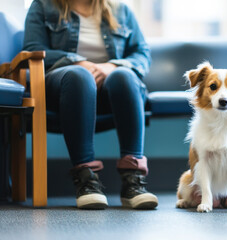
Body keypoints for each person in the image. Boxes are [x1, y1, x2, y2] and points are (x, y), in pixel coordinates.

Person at [24, 0, 158, 210]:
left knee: (124, 75)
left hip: (111, 88)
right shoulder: (43, 5)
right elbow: (34, 49)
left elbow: (142, 54)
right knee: (80, 76)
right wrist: (76, 62)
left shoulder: (121, 10)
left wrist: (112, 65)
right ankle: (86, 181)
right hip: (64, 85)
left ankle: (133, 181)